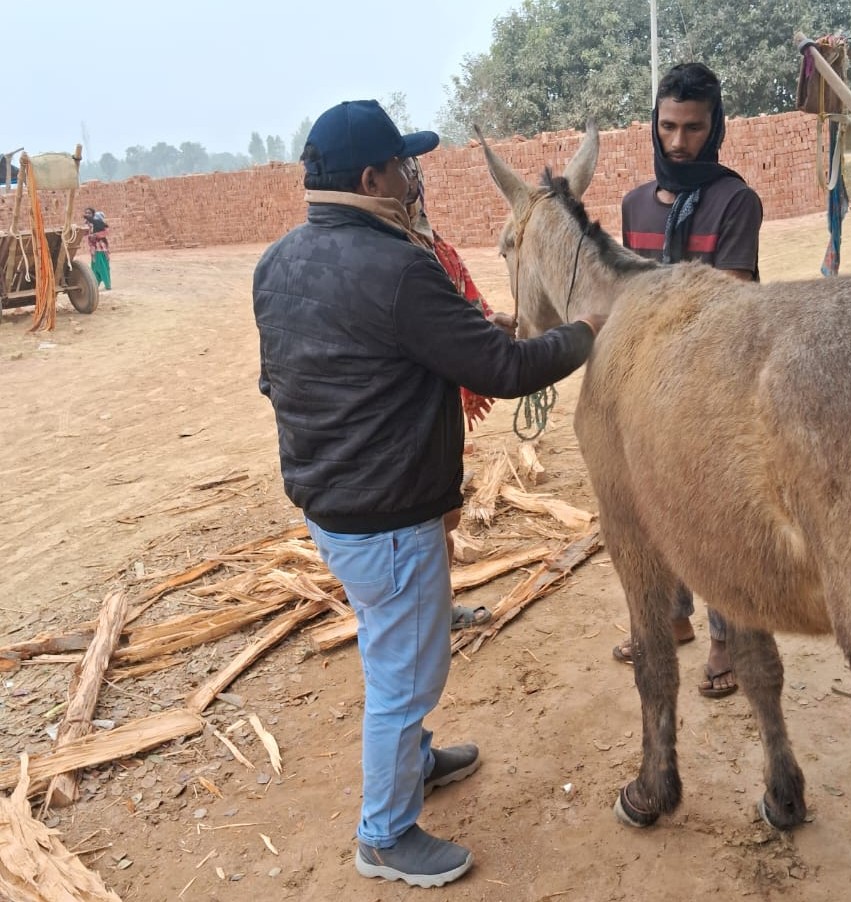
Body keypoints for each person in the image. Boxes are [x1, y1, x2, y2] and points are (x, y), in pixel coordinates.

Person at [253, 99, 604, 888]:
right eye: (405, 166)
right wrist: (584, 329)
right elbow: (505, 372)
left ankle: (413, 766)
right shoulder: (399, 268)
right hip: (390, 515)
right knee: (402, 678)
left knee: (392, 651)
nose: (415, 179)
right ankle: (385, 835)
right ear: (373, 176)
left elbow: (278, 380)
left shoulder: (277, 261)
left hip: (331, 510)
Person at [617, 62, 763, 699]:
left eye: (694, 128)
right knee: (653, 512)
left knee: (718, 524)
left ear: (716, 127)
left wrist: (654, 312)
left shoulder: (737, 202)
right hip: (649, 393)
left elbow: (730, 307)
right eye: (668, 126)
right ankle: (671, 620)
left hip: (714, 395)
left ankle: (725, 640)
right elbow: (627, 294)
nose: (678, 142)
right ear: (655, 123)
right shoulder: (634, 205)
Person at [405, 156, 497, 632]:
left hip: (436, 414)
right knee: (418, 524)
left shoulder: (435, 248)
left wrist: (491, 332)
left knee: (441, 518)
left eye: (413, 176)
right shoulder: (397, 257)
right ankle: (419, 623)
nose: (411, 186)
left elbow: (468, 312)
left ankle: (436, 612)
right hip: (405, 416)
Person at [83, 207, 111, 290]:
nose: (87, 214)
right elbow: (84, 233)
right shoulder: (87, 225)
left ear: (93, 215)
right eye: (86, 213)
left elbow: (105, 232)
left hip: (101, 248)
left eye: (89, 213)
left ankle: (107, 284)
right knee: (94, 267)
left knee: (102, 266)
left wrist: (95, 235)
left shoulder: (98, 223)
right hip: (93, 250)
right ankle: (95, 285)